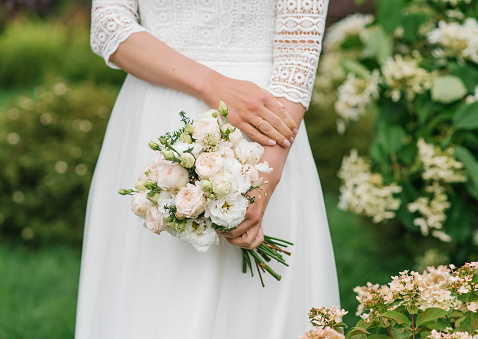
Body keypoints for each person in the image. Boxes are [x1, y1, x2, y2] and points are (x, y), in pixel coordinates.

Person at [75, 1, 339, 338]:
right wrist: (215, 86)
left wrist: (264, 180)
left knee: (251, 310)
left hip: (261, 127)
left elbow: (297, 53)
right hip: (154, 116)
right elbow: (109, 26)